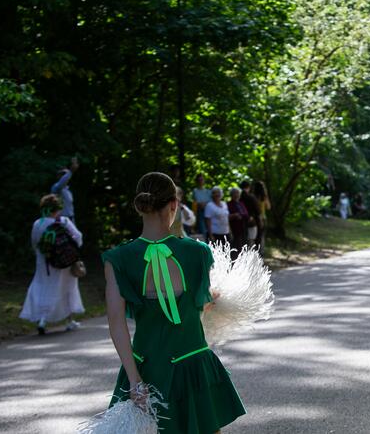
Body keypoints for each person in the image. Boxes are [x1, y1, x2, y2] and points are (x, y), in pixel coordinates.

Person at [101, 172, 245, 432]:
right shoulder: (198, 252)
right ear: (174, 205)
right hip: (194, 364)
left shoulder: (118, 258)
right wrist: (215, 299)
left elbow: (116, 324)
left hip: (147, 367)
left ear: (139, 206)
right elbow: (199, 307)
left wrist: (134, 381)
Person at [20, 194, 85, 334]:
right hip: (65, 264)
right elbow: (78, 238)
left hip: (45, 264)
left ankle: (42, 320)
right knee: (67, 289)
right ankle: (69, 321)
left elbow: (35, 243)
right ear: (58, 208)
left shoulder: (38, 223)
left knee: (42, 288)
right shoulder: (64, 221)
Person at [51, 157, 79, 223]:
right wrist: (71, 171)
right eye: (63, 174)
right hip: (60, 219)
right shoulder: (56, 187)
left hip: (70, 219)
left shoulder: (68, 190)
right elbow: (61, 183)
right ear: (58, 176)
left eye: (65, 174)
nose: (65, 176)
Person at [227, 187, 250, 259]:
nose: (237, 195)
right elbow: (227, 215)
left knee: (243, 244)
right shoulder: (229, 204)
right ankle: (235, 261)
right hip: (234, 228)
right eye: (235, 193)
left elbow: (246, 214)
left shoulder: (241, 203)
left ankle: (242, 260)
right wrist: (235, 215)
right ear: (232, 194)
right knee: (236, 245)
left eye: (238, 193)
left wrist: (240, 215)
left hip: (243, 227)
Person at [240, 180, 263, 248]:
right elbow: (258, 211)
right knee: (252, 240)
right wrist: (260, 221)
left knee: (245, 240)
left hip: (241, 222)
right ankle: (252, 255)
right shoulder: (251, 197)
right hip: (252, 221)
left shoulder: (239, 197)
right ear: (248, 187)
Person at [252, 181, 270, 252]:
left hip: (254, 219)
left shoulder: (252, 196)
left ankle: (255, 252)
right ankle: (260, 253)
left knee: (255, 237)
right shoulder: (264, 197)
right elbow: (268, 207)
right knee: (261, 237)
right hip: (262, 218)